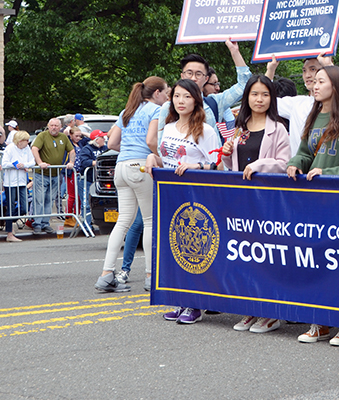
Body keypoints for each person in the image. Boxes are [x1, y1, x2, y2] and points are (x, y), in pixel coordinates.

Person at [287, 65, 339, 346]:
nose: (313, 83)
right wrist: (294, 164)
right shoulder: (313, 117)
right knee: (317, 263)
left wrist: (330, 173)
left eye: (320, 80)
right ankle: (321, 322)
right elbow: (304, 153)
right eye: (313, 80)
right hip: (314, 203)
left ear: (335, 86)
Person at [223, 75, 291, 334]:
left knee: (267, 257)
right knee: (247, 256)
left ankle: (271, 313)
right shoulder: (240, 128)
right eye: (254, 94)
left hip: (267, 202)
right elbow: (232, 167)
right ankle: (252, 308)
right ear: (247, 97)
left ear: (271, 98)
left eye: (265, 94)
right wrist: (228, 155)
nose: (259, 99)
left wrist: (259, 165)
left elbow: (284, 163)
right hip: (243, 202)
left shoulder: (278, 128)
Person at [149, 79, 218, 322]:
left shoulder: (205, 131)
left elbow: (218, 165)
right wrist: (151, 159)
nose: (181, 101)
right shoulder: (167, 127)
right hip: (170, 196)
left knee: (195, 251)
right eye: (177, 96)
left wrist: (196, 165)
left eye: (187, 97)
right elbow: (163, 158)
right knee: (175, 249)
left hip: (196, 199)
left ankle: (195, 304)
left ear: (197, 100)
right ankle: (180, 300)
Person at [96, 77, 170, 294]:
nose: (167, 97)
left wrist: (128, 153)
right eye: (166, 92)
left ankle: (106, 274)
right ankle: (150, 275)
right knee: (149, 222)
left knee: (122, 222)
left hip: (121, 167)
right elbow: (151, 141)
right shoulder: (156, 110)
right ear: (156, 93)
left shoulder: (126, 111)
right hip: (141, 166)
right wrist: (159, 157)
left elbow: (111, 143)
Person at [158, 38, 251, 140]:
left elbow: (245, 84)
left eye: (198, 74)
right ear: (182, 76)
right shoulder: (169, 107)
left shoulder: (215, 102)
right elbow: (161, 144)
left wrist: (235, 52)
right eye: (189, 73)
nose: (193, 78)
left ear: (206, 78)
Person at [31, 118, 76, 234]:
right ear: (48, 126)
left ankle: (45, 223)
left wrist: (71, 162)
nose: (54, 127)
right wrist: (40, 162)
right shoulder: (42, 136)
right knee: (39, 199)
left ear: (60, 127)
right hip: (41, 174)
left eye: (56, 125)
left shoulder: (63, 137)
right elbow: (34, 148)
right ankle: (37, 223)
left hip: (55, 174)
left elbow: (71, 150)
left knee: (49, 200)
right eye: (52, 125)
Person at [2, 130, 34, 241]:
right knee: (10, 207)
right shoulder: (10, 148)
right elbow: (4, 163)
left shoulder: (26, 149)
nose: (28, 142)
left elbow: (32, 162)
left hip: (21, 182)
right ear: (20, 141)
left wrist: (24, 165)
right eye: (26, 140)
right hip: (10, 182)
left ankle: (8, 222)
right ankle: (9, 233)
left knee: (24, 207)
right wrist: (16, 165)